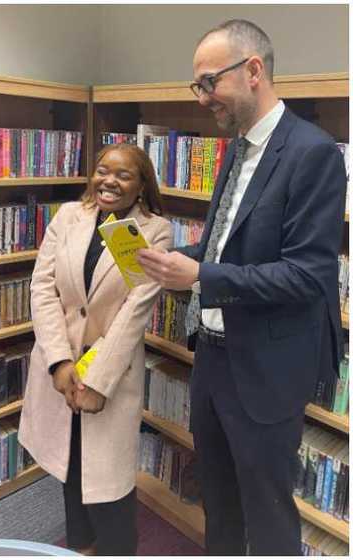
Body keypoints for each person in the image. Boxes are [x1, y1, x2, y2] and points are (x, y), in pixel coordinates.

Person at [136, 20, 344, 555]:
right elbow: (226, 246)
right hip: (212, 358)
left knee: (268, 510)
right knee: (219, 500)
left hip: (266, 370)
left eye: (209, 83)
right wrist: (175, 260)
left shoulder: (313, 153)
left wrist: (201, 277)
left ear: (254, 71)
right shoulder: (235, 149)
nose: (203, 97)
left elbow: (307, 276)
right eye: (197, 86)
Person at [18, 143, 171, 556]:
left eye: (123, 175)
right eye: (104, 170)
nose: (109, 181)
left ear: (141, 186)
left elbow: (135, 309)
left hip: (111, 373)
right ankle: (81, 547)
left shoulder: (154, 231)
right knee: (70, 466)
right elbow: (42, 287)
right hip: (61, 366)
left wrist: (97, 380)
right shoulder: (69, 216)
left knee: (109, 482)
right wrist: (59, 362)